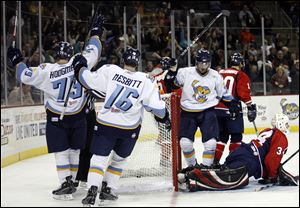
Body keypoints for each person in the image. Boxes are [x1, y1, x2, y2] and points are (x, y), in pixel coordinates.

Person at [6, 14, 105, 200]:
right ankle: (73, 182)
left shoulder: (46, 70)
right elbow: (94, 50)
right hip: (78, 116)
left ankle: (65, 182)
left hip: (56, 117)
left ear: (55, 54)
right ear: (69, 55)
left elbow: (23, 76)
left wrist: (17, 60)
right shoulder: (81, 63)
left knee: (61, 152)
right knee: (75, 150)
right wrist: (96, 33)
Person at [71, 47, 171, 206]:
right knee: (119, 160)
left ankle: (92, 191)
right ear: (138, 63)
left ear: (123, 60)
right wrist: (165, 118)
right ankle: (108, 189)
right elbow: (156, 108)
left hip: (106, 125)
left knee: (99, 159)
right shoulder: (146, 79)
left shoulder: (110, 70)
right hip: (129, 129)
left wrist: (79, 66)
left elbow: (85, 79)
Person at [178, 113, 298, 191]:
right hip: (250, 160)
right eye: (286, 123)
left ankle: (191, 172)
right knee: (232, 180)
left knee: (224, 169)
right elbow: (271, 160)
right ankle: (194, 177)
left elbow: (266, 156)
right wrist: (272, 176)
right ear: (281, 123)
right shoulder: (281, 137)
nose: (287, 126)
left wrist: (269, 174)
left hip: (242, 151)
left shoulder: (268, 131)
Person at [164, 48, 240, 170]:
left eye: (206, 63)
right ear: (196, 62)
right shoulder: (185, 72)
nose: (204, 66)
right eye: (201, 63)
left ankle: (206, 168)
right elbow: (171, 86)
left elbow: (224, 94)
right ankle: (192, 167)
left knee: (211, 143)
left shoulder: (216, 76)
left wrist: (233, 104)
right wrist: (172, 72)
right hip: (188, 113)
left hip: (208, 112)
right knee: (185, 143)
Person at [214, 52, 257, 165]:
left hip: (216, 109)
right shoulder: (241, 74)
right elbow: (243, 93)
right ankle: (233, 163)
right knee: (236, 136)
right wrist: (250, 106)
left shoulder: (220, 72)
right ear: (241, 63)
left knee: (221, 137)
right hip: (232, 109)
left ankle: (215, 162)